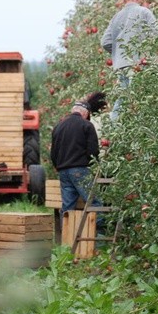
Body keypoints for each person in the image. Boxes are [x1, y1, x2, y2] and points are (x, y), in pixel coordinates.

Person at [100, 0, 158, 119]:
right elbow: (157, 34)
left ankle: (113, 129)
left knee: (123, 98)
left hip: (121, 65)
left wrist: (118, 53)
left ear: (124, 0)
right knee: (140, 98)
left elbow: (105, 42)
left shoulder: (116, 17)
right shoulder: (144, 12)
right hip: (139, 64)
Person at [50, 93, 107, 229]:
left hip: (63, 171)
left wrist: (58, 167)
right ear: (86, 113)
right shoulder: (86, 125)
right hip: (80, 169)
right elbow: (93, 151)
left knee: (67, 207)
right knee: (94, 204)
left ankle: (66, 241)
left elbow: (53, 152)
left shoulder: (58, 126)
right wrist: (94, 167)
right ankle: (97, 239)